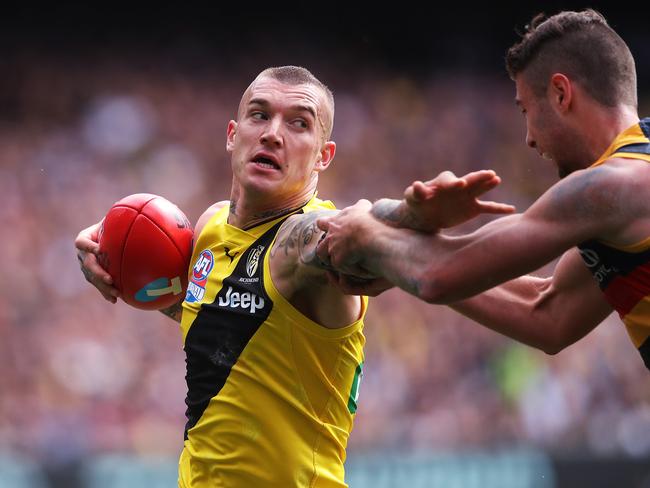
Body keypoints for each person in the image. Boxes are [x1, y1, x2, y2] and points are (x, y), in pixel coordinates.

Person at [76, 66, 367, 487]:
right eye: (259, 115)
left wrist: (408, 218)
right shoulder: (211, 228)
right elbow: (214, 313)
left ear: (324, 155)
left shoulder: (315, 237)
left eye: (299, 123)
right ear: (233, 134)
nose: (272, 133)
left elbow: (367, 232)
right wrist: (107, 256)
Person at [316, 9, 650, 370]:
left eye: (525, 110)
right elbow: (549, 312)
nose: (528, 139)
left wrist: (366, 233)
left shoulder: (609, 187)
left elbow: (437, 277)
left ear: (560, 93)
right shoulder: (627, 190)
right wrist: (402, 263)